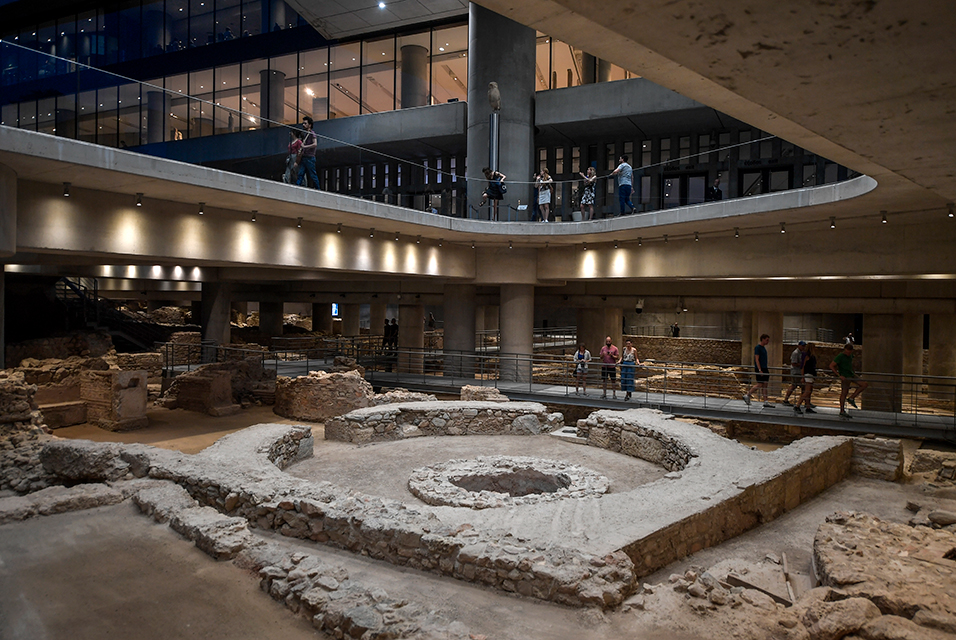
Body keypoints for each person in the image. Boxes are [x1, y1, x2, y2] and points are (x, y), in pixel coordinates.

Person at [830, 343, 868, 419]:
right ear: (845, 350)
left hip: (851, 374)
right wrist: (838, 375)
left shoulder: (850, 356)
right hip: (845, 376)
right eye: (847, 352)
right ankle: (842, 410)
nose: (848, 353)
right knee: (844, 392)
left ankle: (851, 398)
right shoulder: (840, 356)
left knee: (864, 384)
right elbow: (831, 365)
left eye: (849, 352)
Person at [743, 333, 773, 408]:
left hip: (765, 368)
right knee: (760, 384)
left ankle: (765, 401)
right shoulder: (758, 347)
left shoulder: (763, 348)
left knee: (765, 384)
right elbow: (757, 359)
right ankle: (747, 394)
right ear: (762, 339)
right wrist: (760, 369)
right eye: (766, 340)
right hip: (760, 368)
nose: (767, 342)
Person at [296, 116, 319, 190]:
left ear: (310, 125)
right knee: (300, 173)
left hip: (310, 158)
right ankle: (297, 187)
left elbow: (315, 144)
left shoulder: (312, 134)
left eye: (305, 123)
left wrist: (305, 147)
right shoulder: (305, 134)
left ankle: (318, 189)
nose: (303, 125)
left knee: (313, 175)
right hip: (305, 157)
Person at [794, 343, 817, 415]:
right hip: (808, 374)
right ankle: (797, 405)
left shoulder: (811, 356)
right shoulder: (807, 355)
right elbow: (802, 366)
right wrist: (802, 377)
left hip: (811, 374)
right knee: (807, 391)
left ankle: (808, 407)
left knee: (809, 392)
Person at [782, 341, 807, 406]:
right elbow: (794, 363)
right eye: (802, 346)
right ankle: (786, 400)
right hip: (796, 372)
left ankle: (806, 402)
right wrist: (802, 365)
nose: (803, 347)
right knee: (794, 386)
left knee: (803, 387)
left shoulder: (802, 353)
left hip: (799, 372)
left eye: (804, 346)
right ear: (798, 346)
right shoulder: (795, 353)